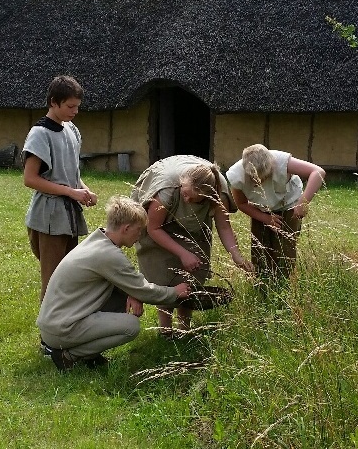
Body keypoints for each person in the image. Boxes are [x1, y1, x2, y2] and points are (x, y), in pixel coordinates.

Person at [37, 195, 192, 370]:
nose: (140, 236)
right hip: (62, 329)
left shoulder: (98, 241)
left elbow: (131, 284)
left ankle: (88, 353)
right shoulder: (108, 255)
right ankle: (68, 356)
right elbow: (144, 290)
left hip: (56, 322)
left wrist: (132, 292)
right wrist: (175, 292)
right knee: (130, 326)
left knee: (120, 298)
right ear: (126, 228)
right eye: (139, 230)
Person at [131, 155, 254, 337]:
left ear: (206, 197)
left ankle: (185, 329)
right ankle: (165, 331)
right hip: (159, 225)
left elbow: (224, 226)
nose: (187, 199)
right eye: (185, 193)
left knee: (192, 275)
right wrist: (182, 253)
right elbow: (153, 227)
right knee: (163, 273)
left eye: (193, 198)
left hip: (194, 226)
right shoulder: (168, 190)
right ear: (182, 184)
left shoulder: (218, 194)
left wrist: (236, 255)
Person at [22, 75, 98, 309]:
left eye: (77, 107)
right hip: (49, 216)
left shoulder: (72, 129)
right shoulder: (40, 134)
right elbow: (30, 179)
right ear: (54, 102)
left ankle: (65, 325)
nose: (75, 111)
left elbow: (69, 172)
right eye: (70, 106)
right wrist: (70, 192)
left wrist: (83, 189)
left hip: (68, 213)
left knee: (68, 275)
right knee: (53, 279)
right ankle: (48, 336)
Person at [226, 144, 325, 289]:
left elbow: (318, 172)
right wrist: (266, 219)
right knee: (260, 249)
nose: (262, 180)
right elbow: (241, 203)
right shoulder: (236, 175)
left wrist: (303, 202)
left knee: (285, 250)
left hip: (289, 204)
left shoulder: (281, 160)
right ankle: (262, 286)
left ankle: (284, 287)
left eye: (266, 175)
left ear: (271, 163)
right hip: (261, 210)